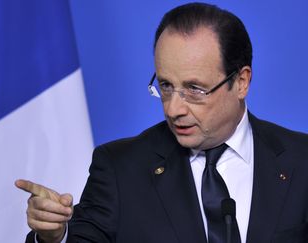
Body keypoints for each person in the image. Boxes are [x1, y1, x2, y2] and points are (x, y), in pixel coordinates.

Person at [16, 2, 308, 243]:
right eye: (166, 86)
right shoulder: (120, 168)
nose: (174, 108)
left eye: (194, 89)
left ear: (241, 82)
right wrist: (55, 236)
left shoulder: (301, 159)